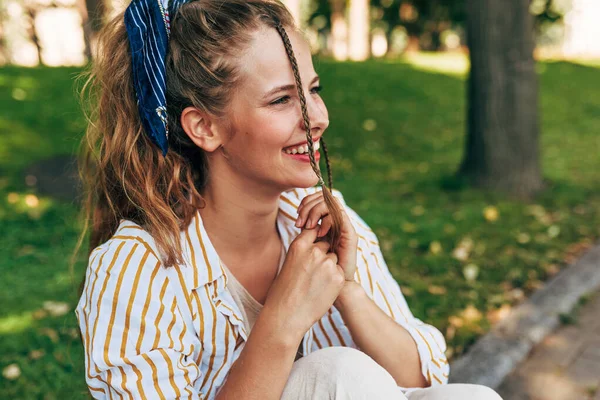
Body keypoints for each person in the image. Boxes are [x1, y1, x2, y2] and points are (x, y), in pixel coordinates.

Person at [74, 0, 503, 399]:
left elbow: (421, 382)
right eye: (282, 99)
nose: (318, 118)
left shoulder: (325, 220)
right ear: (205, 127)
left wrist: (347, 289)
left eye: (313, 90)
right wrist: (282, 318)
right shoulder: (138, 268)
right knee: (339, 372)